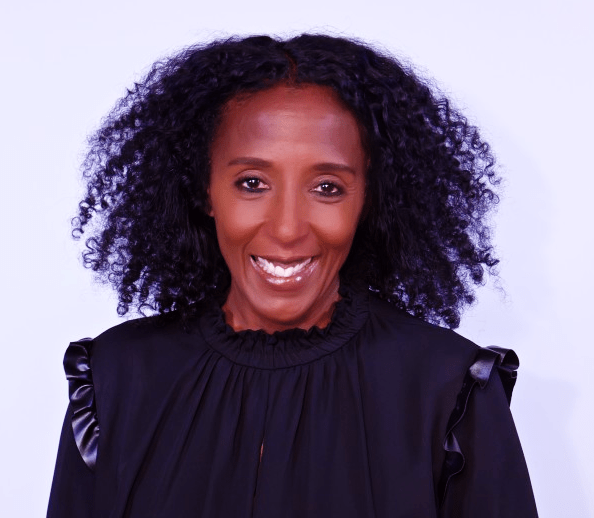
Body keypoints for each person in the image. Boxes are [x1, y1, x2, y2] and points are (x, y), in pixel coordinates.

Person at [47, 34, 538, 517]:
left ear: (369, 197)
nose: (286, 229)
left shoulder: (448, 389)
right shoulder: (118, 378)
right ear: (204, 191)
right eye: (252, 183)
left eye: (327, 187)